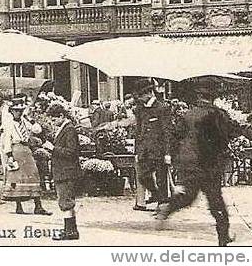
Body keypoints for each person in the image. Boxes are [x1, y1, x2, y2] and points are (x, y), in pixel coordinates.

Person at [155, 81, 238, 246]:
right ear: (212, 98)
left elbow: (175, 136)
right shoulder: (218, 114)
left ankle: (168, 207)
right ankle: (223, 237)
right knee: (216, 200)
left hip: (188, 163)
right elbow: (231, 133)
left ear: (199, 97)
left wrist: (172, 155)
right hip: (209, 164)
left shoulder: (187, 115)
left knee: (189, 196)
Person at [99, 79, 174, 211]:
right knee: (143, 176)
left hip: (159, 150)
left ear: (149, 93)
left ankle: (162, 204)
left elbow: (167, 132)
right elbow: (138, 132)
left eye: (141, 95)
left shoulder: (162, 108)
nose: (139, 98)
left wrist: (168, 153)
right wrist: (137, 152)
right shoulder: (140, 109)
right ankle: (156, 194)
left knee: (162, 179)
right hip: (144, 150)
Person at [0, 94, 51, 216]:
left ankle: (38, 206)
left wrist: (29, 119)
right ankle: (19, 205)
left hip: (26, 150)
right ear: (11, 111)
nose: (18, 113)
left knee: (34, 174)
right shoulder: (9, 124)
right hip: (16, 149)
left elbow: (37, 129)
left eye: (20, 111)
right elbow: (7, 140)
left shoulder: (24, 122)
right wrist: (9, 155)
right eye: (16, 111)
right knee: (17, 177)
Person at [45, 102, 83, 241]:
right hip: (63, 170)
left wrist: (52, 148)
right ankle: (70, 230)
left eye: (54, 119)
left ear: (61, 115)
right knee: (66, 200)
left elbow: (71, 152)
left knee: (65, 201)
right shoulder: (64, 128)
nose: (53, 122)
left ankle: (70, 232)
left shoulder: (69, 129)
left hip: (66, 171)